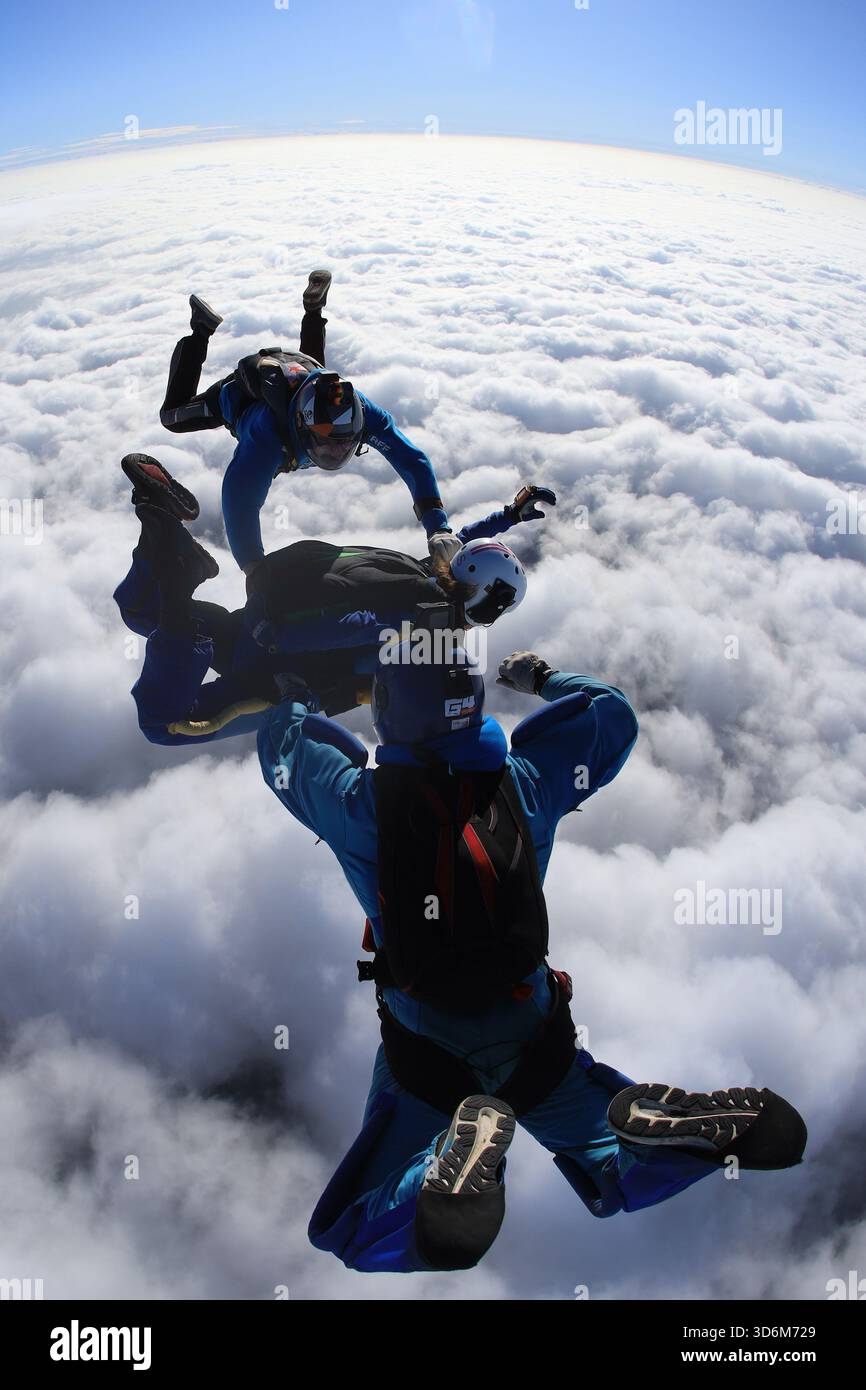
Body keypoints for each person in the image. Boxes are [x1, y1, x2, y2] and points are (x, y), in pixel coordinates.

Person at [256, 645, 807, 1273]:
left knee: (349, 1230)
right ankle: (662, 1143)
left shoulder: (355, 804)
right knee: (608, 1176)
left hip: (427, 1051)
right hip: (535, 1036)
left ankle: (442, 1171)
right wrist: (539, 678)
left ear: (387, 712)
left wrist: (295, 693)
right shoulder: (528, 780)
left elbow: (283, 749)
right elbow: (611, 715)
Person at [114, 453, 555, 745]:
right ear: (490, 605)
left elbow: (461, 542)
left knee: (142, 613)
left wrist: (509, 516)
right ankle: (179, 571)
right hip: (275, 671)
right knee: (164, 726)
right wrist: (281, 642)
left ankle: (160, 527)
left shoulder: (430, 572)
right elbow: (356, 624)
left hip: (257, 616)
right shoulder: (425, 622)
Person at [157, 272, 462, 586]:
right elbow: (238, 500)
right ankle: (201, 329)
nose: (335, 451)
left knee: (317, 367)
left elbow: (412, 459)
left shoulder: (362, 412)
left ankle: (313, 309)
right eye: (326, 444)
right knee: (172, 417)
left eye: (344, 444)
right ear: (302, 427)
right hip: (240, 395)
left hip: (306, 371)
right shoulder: (267, 436)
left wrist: (438, 527)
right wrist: (254, 569)